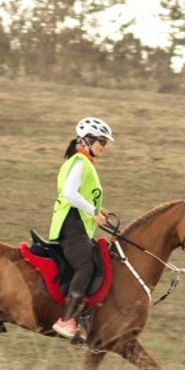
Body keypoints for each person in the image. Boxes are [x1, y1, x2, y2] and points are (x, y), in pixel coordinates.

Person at [48, 116, 115, 339]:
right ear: (87, 139)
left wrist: (100, 208)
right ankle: (67, 320)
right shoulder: (79, 162)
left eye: (105, 143)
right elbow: (69, 193)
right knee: (85, 265)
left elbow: (80, 194)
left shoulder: (83, 163)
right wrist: (93, 213)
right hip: (71, 225)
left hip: (76, 224)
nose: (104, 147)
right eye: (102, 142)